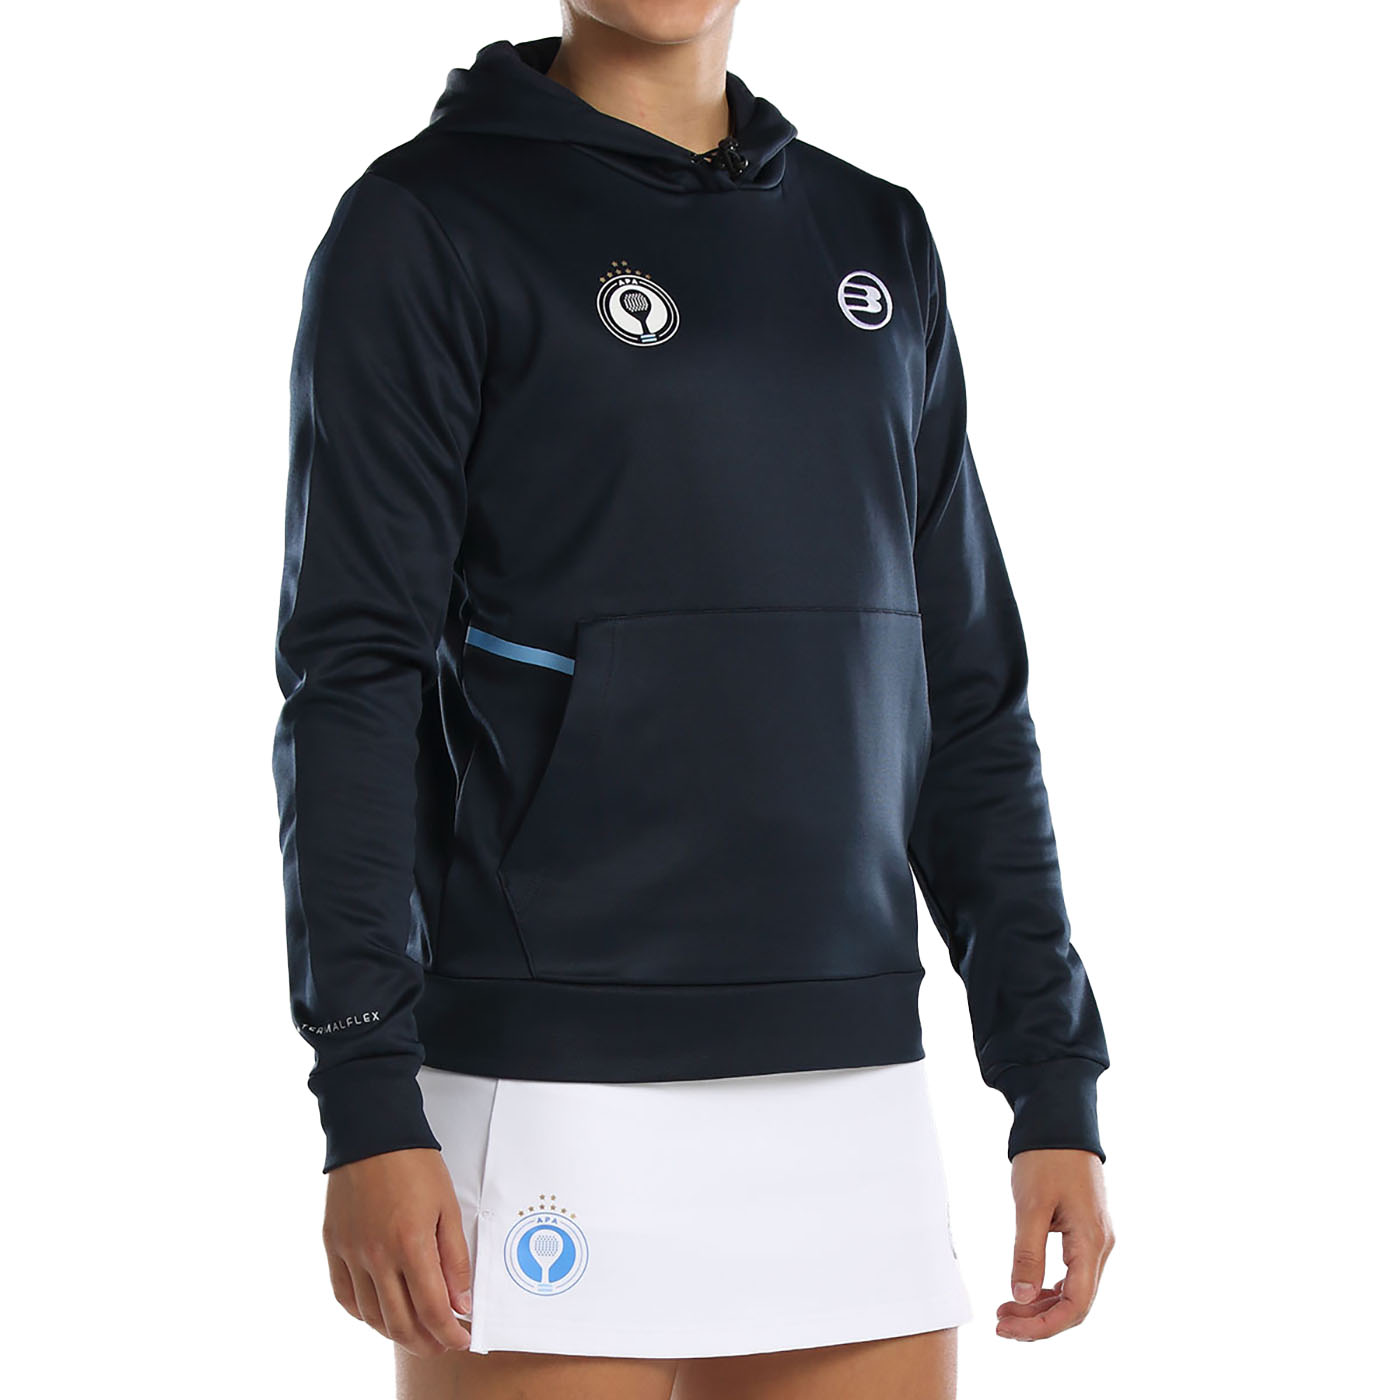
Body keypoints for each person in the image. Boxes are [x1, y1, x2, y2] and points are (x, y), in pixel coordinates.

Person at [271, 5, 1114, 1397]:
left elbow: (964, 690)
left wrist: (1051, 1079)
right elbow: (353, 673)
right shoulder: (426, 222)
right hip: (551, 1073)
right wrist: (365, 1090)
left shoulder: (876, 235)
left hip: (848, 1072)